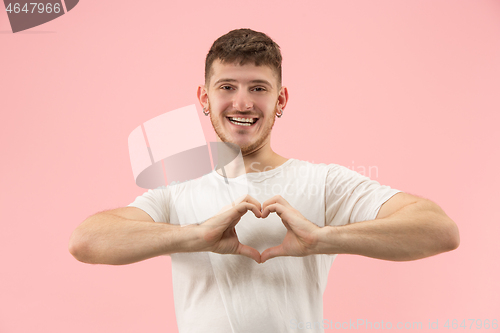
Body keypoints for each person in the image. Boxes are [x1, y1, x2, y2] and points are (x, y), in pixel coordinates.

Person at [69, 28, 460, 332]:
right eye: (227, 88)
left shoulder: (323, 183)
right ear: (204, 99)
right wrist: (197, 236)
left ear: (281, 100)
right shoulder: (177, 192)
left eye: (258, 88)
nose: (242, 103)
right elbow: (87, 240)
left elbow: (439, 230)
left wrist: (322, 239)